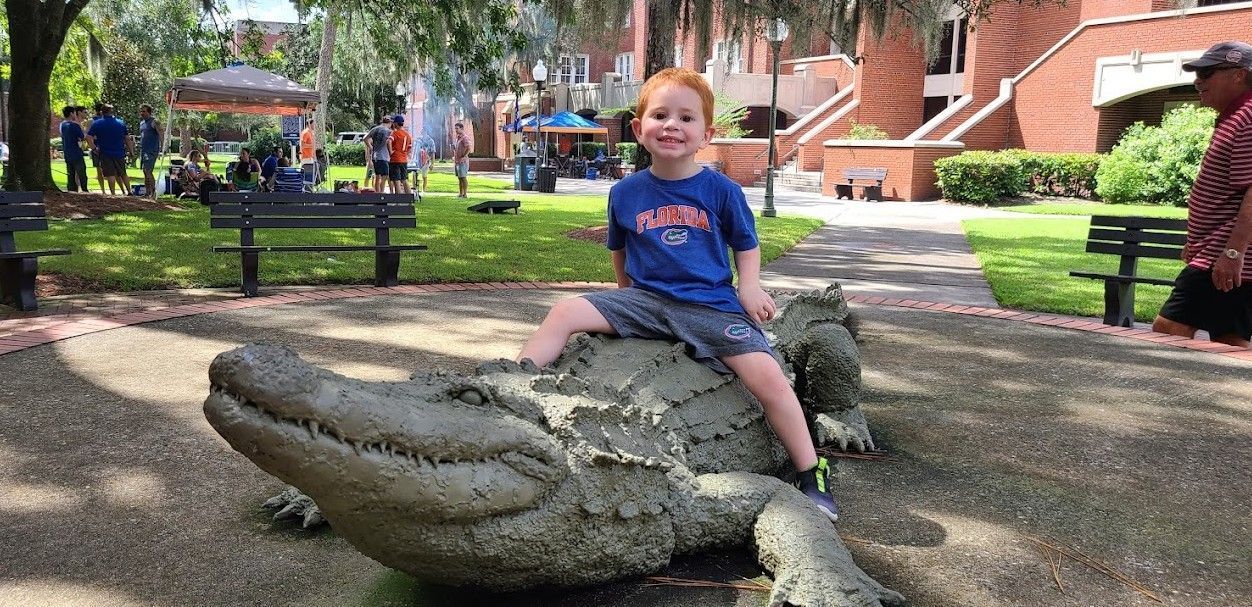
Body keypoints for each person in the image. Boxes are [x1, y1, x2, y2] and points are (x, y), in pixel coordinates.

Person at [514, 67, 840, 521]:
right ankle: (511, 383)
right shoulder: (624, 192)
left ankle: (811, 469)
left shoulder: (721, 190)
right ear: (638, 129)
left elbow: (746, 245)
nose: (672, 125)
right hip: (646, 302)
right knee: (565, 311)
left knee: (770, 381)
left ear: (706, 133)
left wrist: (749, 286)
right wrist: (623, 300)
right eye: (661, 114)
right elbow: (620, 250)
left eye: (686, 118)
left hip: (710, 305)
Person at [1153, 41, 1252, 348]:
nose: (1198, 81)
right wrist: (1197, 242)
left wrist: (1232, 253)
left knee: (1168, 327)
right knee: (1229, 339)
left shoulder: (1248, 117)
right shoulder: (1236, 115)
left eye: (1207, 73)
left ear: (1239, 75)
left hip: (1226, 255)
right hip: (1220, 252)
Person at [85, 103, 133, 195]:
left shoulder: (97, 124)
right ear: (111, 112)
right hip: (119, 152)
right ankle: (129, 191)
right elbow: (127, 138)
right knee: (123, 173)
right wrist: (131, 151)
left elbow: (88, 137)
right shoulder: (120, 123)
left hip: (105, 153)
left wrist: (94, 149)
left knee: (110, 174)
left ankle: (113, 194)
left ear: (102, 112)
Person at [59, 106, 89, 192]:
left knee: (70, 173)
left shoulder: (62, 125)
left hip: (67, 153)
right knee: (82, 173)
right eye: (74, 113)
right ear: (71, 113)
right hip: (76, 152)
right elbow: (82, 137)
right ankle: (84, 190)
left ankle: (72, 190)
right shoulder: (74, 125)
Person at [137, 104, 162, 199]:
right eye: (141, 111)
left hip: (152, 150)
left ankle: (153, 192)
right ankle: (147, 192)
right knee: (144, 171)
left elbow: (161, 134)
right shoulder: (142, 123)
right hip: (144, 150)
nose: (142, 113)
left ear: (149, 112)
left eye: (144, 111)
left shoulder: (154, 122)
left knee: (148, 171)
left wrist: (163, 148)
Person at [364, 115, 392, 193]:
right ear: (390, 123)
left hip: (375, 156)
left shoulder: (374, 129)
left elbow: (365, 138)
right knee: (385, 176)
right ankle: (381, 193)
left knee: (377, 176)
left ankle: (377, 193)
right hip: (383, 156)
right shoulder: (388, 131)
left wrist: (370, 147)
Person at [388, 115, 412, 195]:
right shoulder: (407, 135)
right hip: (404, 159)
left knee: (396, 180)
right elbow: (410, 147)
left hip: (395, 159)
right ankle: (409, 198)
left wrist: (391, 152)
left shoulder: (395, 133)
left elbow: (389, 141)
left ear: (396, 124)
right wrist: (406, 154)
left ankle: (398, 200)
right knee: (404, 179)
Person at [87, 103, 106, 193]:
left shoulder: (106, 119)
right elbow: (88, 135)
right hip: (97, 148)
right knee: (99, 169)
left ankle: (106, 190)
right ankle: (103, 190)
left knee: (103, 169)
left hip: (104, 146)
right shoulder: (92, 121)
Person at [452, 122, 471, 198]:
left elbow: (468, 148)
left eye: (457, 128)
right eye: (455, 128)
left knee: (463, 177)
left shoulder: (464, 138)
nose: (456, 130)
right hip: (457, 161)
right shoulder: (458, 138)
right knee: (459, 177)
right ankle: (460, 193)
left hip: (463, 161)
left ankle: (465, 193)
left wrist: (464, 156)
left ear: (462, 128)